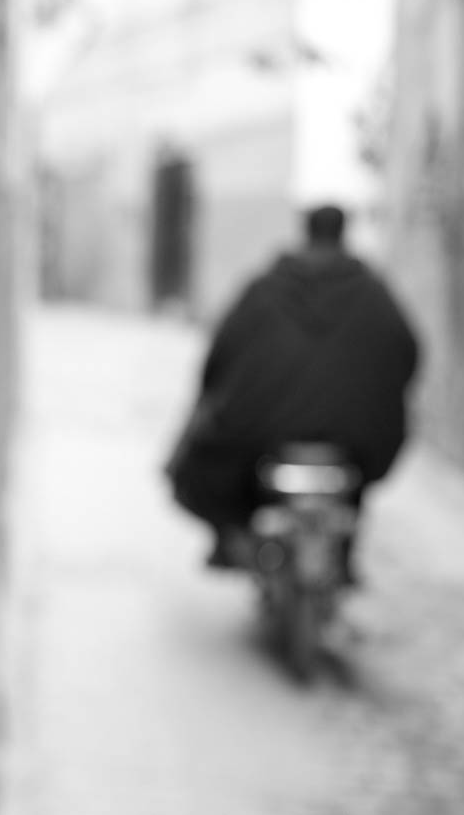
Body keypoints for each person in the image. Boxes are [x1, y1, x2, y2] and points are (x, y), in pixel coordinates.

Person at [165, 204, 420, 582]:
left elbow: (221, 351)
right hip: (353, 438)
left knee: (204, 462)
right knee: (356, 487)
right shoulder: (373, 292)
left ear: (306, 232)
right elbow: (409, 351)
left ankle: (234, 541)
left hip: (263, 433)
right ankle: (343, 559)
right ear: (342, 234)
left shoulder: (265, 287)